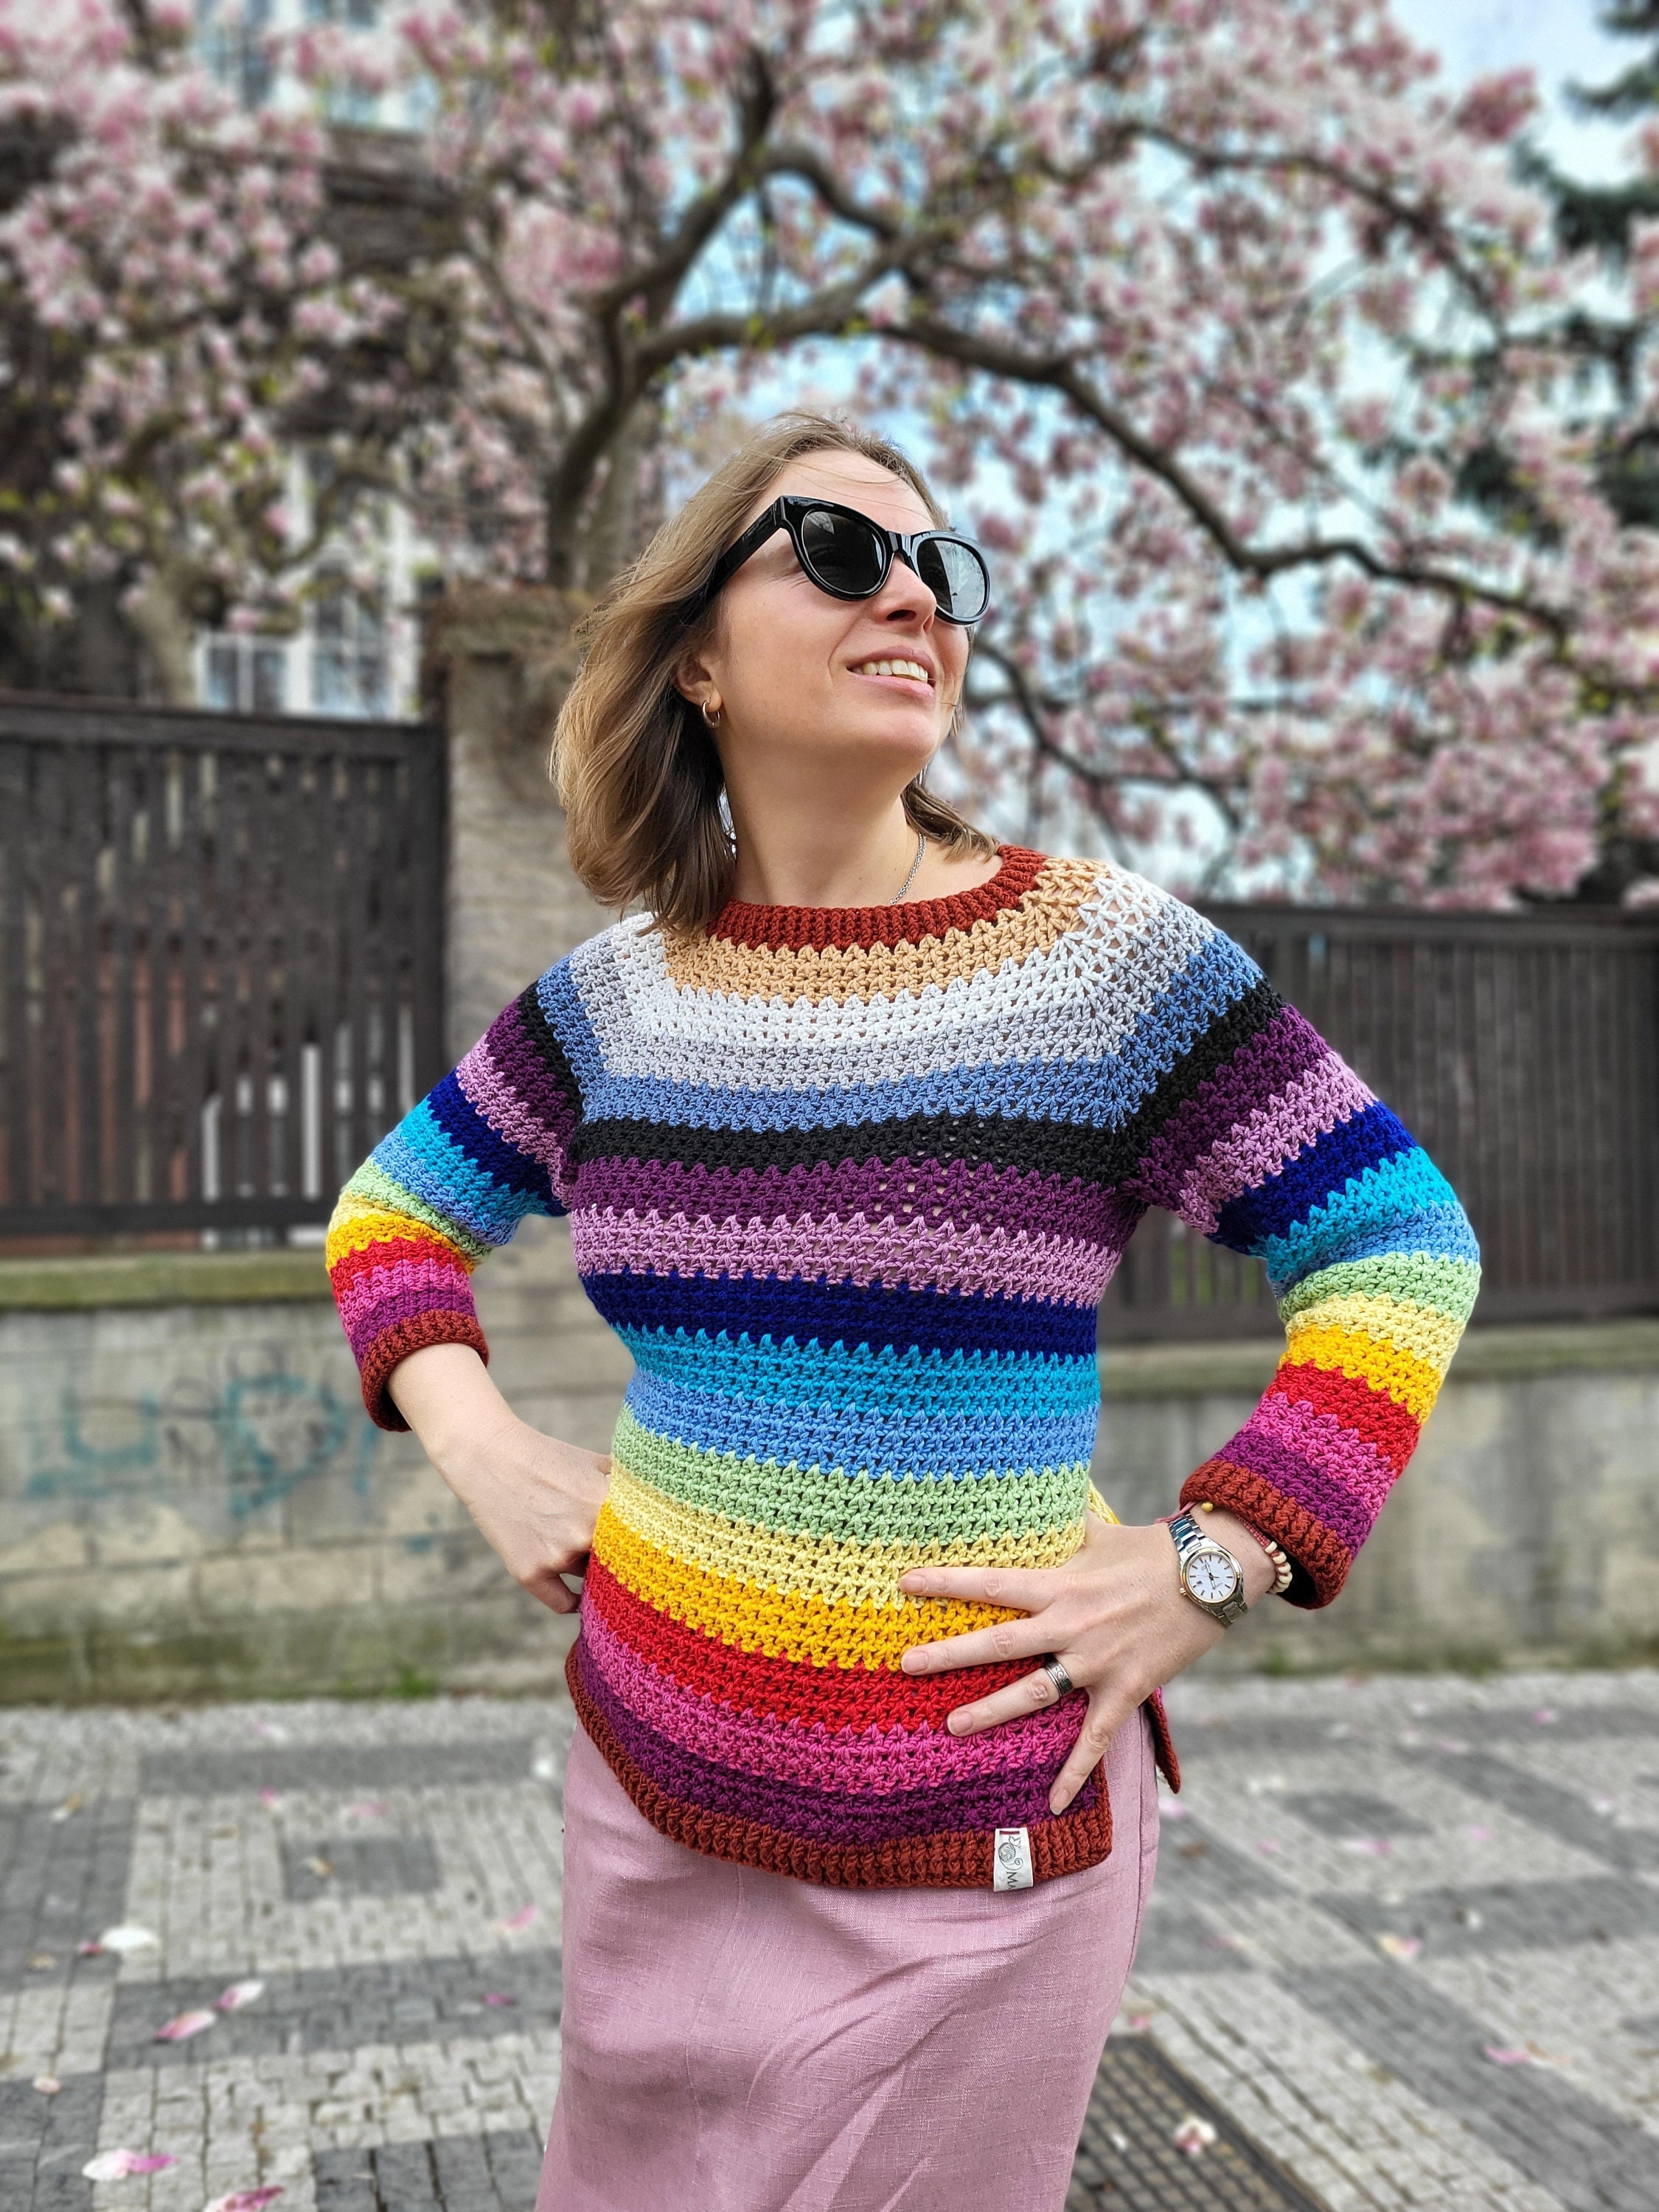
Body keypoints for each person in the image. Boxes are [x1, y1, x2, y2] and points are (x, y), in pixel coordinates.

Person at [325, 412, 1480, 2211]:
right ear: (698, 658)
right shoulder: (611, 1003)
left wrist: (1215, 1558)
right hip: (647, 1801)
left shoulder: (1101, 961)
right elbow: (393, 1213)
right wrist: (477, 1442)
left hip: (969, 1854)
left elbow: (1399, 1244)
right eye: (844, 553)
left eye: (942, 569)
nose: (915, 600)